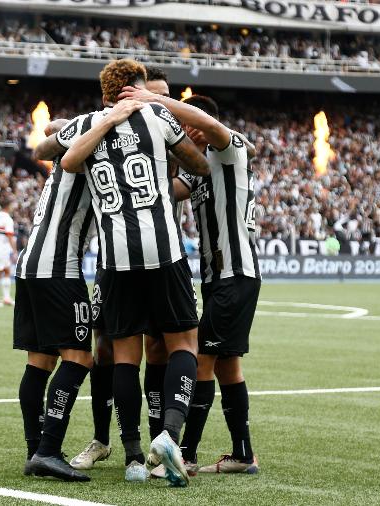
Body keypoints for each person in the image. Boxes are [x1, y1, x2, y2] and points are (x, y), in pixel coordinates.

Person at [59, 58, 209, 486]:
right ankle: (170, 435)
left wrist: (99, 121)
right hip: (162, 248)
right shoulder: (158, 115)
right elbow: (198, 164)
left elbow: (63, 156)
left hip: (115, 257)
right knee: (183, 343)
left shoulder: (87, 124)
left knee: (124, 354)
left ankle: (133, 457)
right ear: (139, 87)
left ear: (105, 92)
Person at [119, 89, 261, 475]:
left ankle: (184, 455)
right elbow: (164, 192)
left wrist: (152, 99)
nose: (186, 132)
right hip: (219, 279)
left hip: (236, 272)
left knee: (200, 360)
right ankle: (243, 455)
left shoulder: (230, 148)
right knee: (228, 367)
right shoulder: (198, 167)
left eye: (187, 125)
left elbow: (212, 125)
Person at [69, 65, 174, 473]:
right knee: (107, 347)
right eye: (150, 93)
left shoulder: (166, 127)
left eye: (162, 96)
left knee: (160, 347)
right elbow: (54, 147)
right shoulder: (106, 126)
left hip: (163, 256)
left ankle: (157, 442)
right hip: (116, 257)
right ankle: (104, 439)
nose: (152, 100)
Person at [14, 120, 100, 480]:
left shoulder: (69, 150)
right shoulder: (90, 157)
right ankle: (48, 450)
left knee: (40, 361)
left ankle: (36, 449)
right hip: (59, 268)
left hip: (30, 263)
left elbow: (53, 126)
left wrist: (76, 125)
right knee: (79, 358)